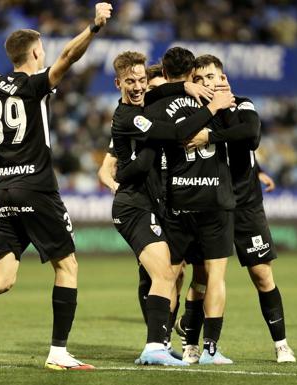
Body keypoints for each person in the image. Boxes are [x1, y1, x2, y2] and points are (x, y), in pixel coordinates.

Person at [0, 3, 113, 370]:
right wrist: (94, 27)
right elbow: (69, 57)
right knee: (67, 266)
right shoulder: (34, 84)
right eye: (41, 49)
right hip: (36, 188)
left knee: (3, 276)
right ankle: (59, 352)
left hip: (3, 192)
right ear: (34, 53)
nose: (44, 53)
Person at [109, 51, 232, 365]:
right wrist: (213, 107)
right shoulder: (129, 117)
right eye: (130, 82)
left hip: (149, 204)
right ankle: (155, 346)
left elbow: (159, 92)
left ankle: (157, 345)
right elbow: (178, 134)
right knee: (164, 274)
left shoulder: (146, 105)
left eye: (140, 81)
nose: (137, 87)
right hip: (132, 206)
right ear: (117, 83)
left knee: (166, 276)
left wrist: (183, 88)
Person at [175, 54, 296, 364]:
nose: (208, 83)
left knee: (261, 274)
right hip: (211, 204)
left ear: (224, 77)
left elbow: (250, 136)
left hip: (244, 204)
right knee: (202, 277)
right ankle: (192, 346)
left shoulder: (241, 105)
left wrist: (214, 133)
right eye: (200, 79)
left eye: (214, 76)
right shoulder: (195, 113)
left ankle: (281, 344)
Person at [143, 47, 236, 365]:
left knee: (168, 275)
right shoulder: (217, 103)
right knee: (214, 277)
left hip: (179, 198)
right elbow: (247, 135)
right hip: (214, 200)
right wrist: (221, 99)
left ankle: (162, 341)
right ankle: (210, 349)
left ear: (165, 73)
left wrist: (181, 87)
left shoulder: (162, 102)